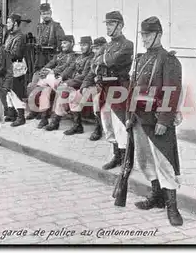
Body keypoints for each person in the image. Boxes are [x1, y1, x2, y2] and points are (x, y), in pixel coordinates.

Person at [130, 16, 183, 226]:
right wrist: (129, 116)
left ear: (159, 35)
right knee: (144, 159)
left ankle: (172, 206)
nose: (144, 39)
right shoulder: (140, 59)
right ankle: (157, 195)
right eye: (142, 35)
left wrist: (164, 119)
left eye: (148, 35)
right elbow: (132, 90)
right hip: (139, 117)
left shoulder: (168, 60)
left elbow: (172, 92)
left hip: (157, 118)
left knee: (164, 161)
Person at [94, 11, 133, 170]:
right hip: (105, 88)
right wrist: (101, 62)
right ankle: (116, 155)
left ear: (120, 25)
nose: (108, 28)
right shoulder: (106, 45)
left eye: (111, 24)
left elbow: (112, 61)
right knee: (107, 122)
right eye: (107, 24)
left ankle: (126, 159)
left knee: (119, 124)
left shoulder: (127, 44)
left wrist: (102, 61)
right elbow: (93, 64)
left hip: (119, 88)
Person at [45, 36, 95, 134]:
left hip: (85, 84)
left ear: (90, 46)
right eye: (81, 45)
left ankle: (73, 124)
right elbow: (71, 68)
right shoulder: (80, 57)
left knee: (68, 93)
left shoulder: (91, 59)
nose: (82, 47)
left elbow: (85, 75)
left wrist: (69, 82)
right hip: (76, 83)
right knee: (62, 92)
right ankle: (59, 122)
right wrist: (62, 77)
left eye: (84, 45)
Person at [26, 35, 76, 129]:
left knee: (41, 81)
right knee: (45, 90)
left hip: (62, 80)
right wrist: (44, 69)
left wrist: (52, 72)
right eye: (62, 43)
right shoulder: (59, 55)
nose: (62, 45)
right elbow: (50, 63)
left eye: (65, 43)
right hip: (52, 80)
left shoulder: (73, 57)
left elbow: (66, 68)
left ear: (72, 43)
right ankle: (44, 117)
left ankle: (37, 111)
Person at [26, 3, 66, 120]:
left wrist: (55, 57)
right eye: (43, 13)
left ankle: (45, 111)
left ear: (51, 13)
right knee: (35, 83)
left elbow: (61, 46)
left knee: (47, 87)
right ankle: (34, 109)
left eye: (47, 13)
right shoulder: (39, 26)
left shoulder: (57, 26)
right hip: (40, 59)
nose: (45, 15)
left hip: (51, 58)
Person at [4, 13, 30, 126]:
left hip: (17, 66)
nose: (7, 24)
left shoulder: (20, 36)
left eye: (9, 22)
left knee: (16, 91)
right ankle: (11, 113)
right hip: (9, 64)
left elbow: (16, 53)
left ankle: (21, 116)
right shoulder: (10, 35)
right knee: (9, 89)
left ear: (15, 23)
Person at [81, 37, 108, 141]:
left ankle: (98, 128)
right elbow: (89, 75)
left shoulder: (109, 60)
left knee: (97, 100)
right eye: (94, 49)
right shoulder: (94, 61)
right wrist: (84, 86)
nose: (95, 51)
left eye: (98, 48)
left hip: (110, 87)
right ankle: (99, 126)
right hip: (98, 87)